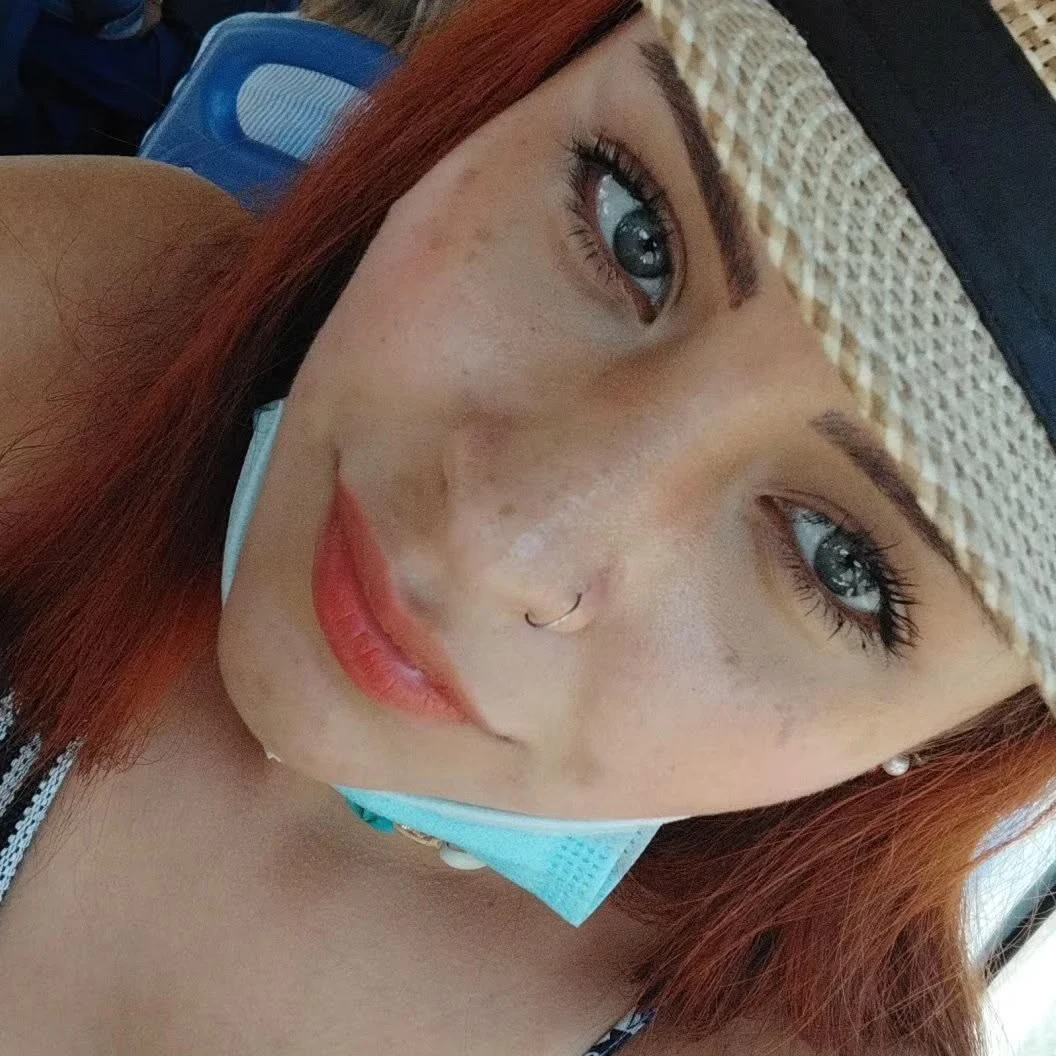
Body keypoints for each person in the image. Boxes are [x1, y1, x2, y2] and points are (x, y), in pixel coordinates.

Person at [0, 1, 1054, 1053]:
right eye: (635, 231)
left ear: (964, 737)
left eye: (840, 563)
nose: (497, 546)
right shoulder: (70, 326)